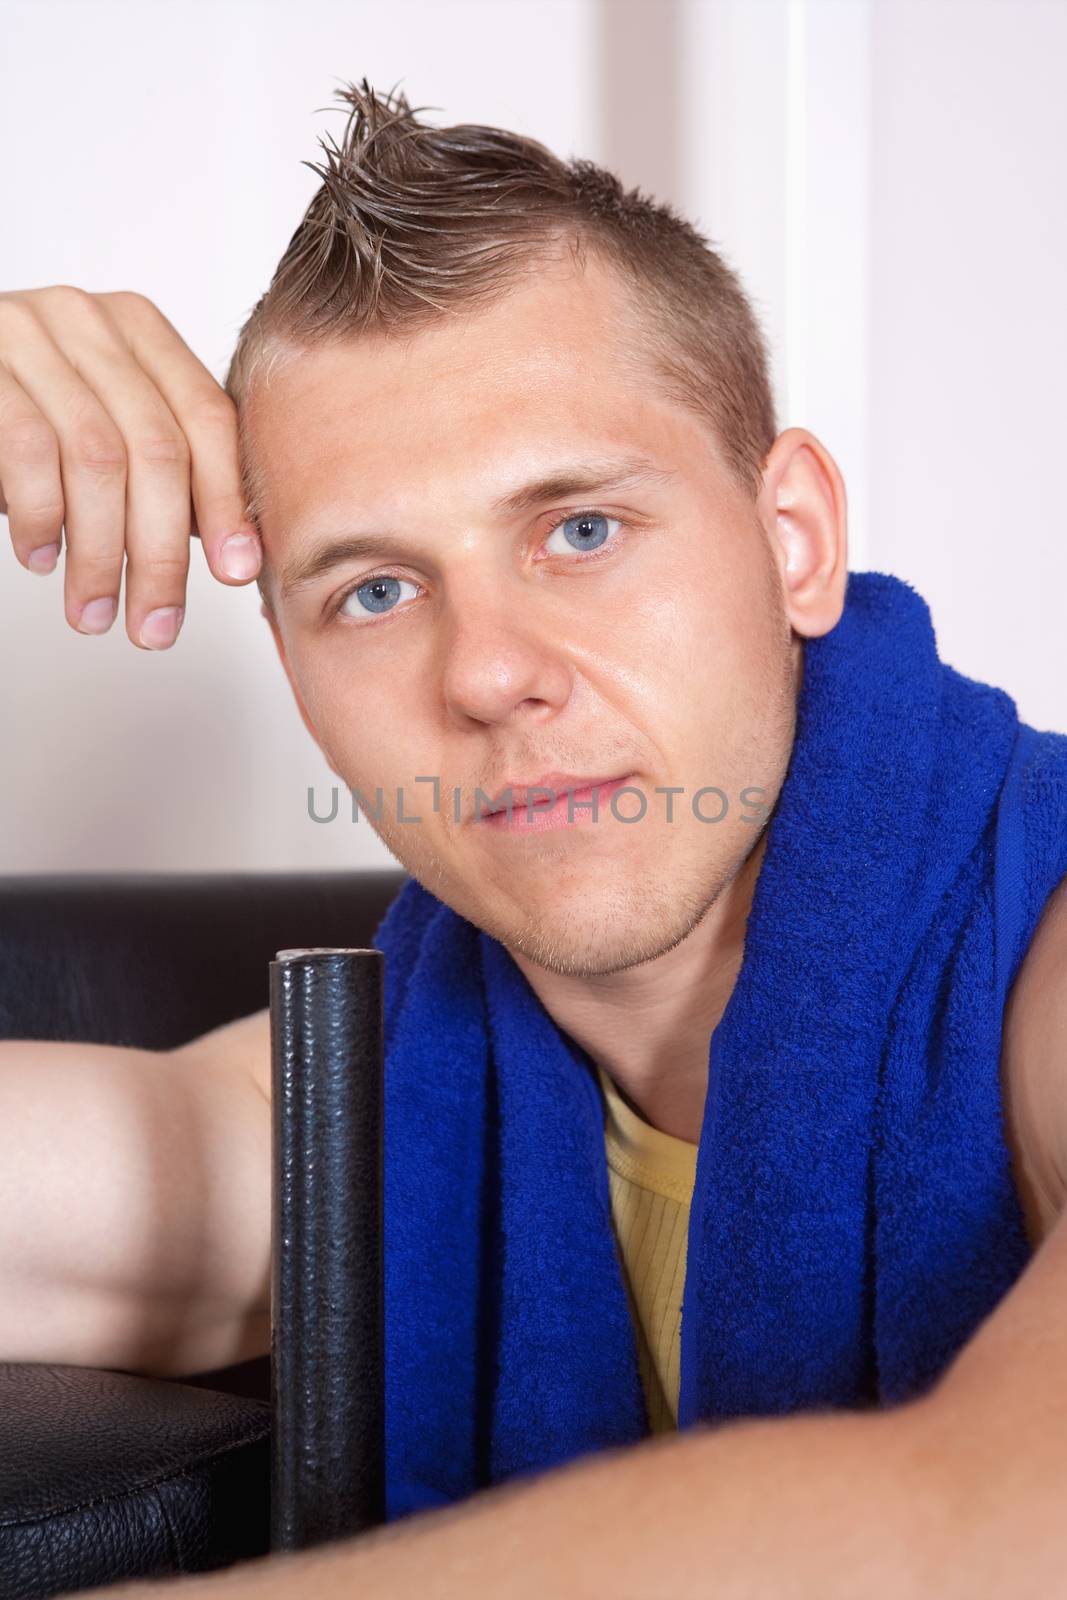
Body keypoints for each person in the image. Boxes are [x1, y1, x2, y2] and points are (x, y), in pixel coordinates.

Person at [1, 77, 1066, 1598]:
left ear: (796, 544)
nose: (489, 672)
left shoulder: (1049, 954)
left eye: (580, 530)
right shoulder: (364, 1118)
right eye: (372, 589)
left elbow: (1011, 1527)